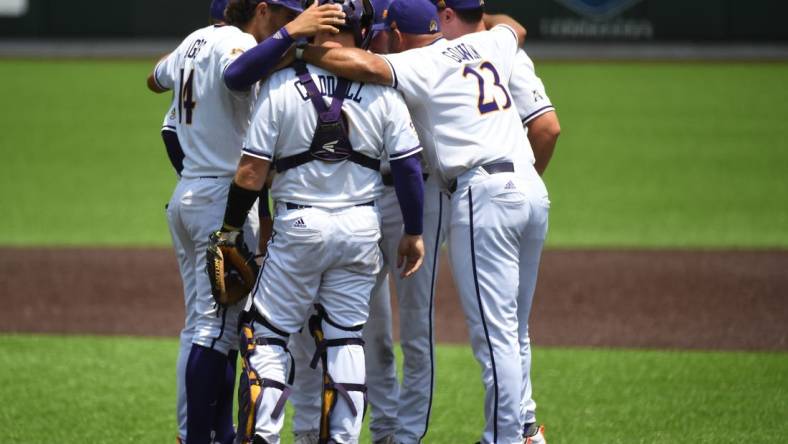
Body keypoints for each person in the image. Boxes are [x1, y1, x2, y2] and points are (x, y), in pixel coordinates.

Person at [298, 0, 550, 442]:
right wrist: (481, 20)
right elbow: (517, 27)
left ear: (395, 33)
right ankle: (518, 430)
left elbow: (359, 63)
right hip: (528, 189)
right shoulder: (489, 42)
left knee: (493, 338)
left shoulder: (422, 61)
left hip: (474, 191)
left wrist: (296, 50)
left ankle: (503, 438)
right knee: (510, 331)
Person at [213, 0, 427, 441]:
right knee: (347, 338)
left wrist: (231, 229)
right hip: (360, 230)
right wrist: (414, 231)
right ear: (363, 31)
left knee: (268, 335)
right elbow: (408, 167)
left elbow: (251, 173)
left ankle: (262, 436)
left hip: (299, 229)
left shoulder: (278, 85)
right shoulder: (384, 89)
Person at [145, 1, 345, 442]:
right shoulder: (237, 42)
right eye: (282, 13)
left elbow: (153, 80)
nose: (287, 20)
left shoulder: (195, 41)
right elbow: (236, 76)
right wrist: (291, 34)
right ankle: (198, 436)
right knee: (213, 330)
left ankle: (215, 432)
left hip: (192, 193)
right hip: (221, 196)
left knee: (211, 327)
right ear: (260, 10)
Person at [362, 1, 450, 443]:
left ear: (395, 33)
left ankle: (408, 435)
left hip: (420, 197)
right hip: (364, 195)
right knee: (369, 327)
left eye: (384, 31)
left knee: (417, 327)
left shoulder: (425, 60)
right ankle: (384, 430)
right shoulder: (381, 47)